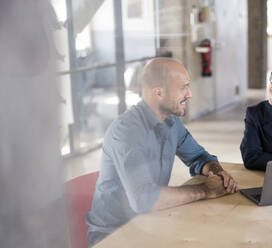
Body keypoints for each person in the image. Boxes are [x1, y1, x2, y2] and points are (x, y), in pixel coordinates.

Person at [86, 58, 238, 246]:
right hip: (113, 234)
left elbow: (199, 157)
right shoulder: (126, 132)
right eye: (183, 87)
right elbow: (144, 199)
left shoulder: (172, 122)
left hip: (150, 221)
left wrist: (216, 171)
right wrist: (205, 190)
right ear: (158, 92)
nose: (189, 94)